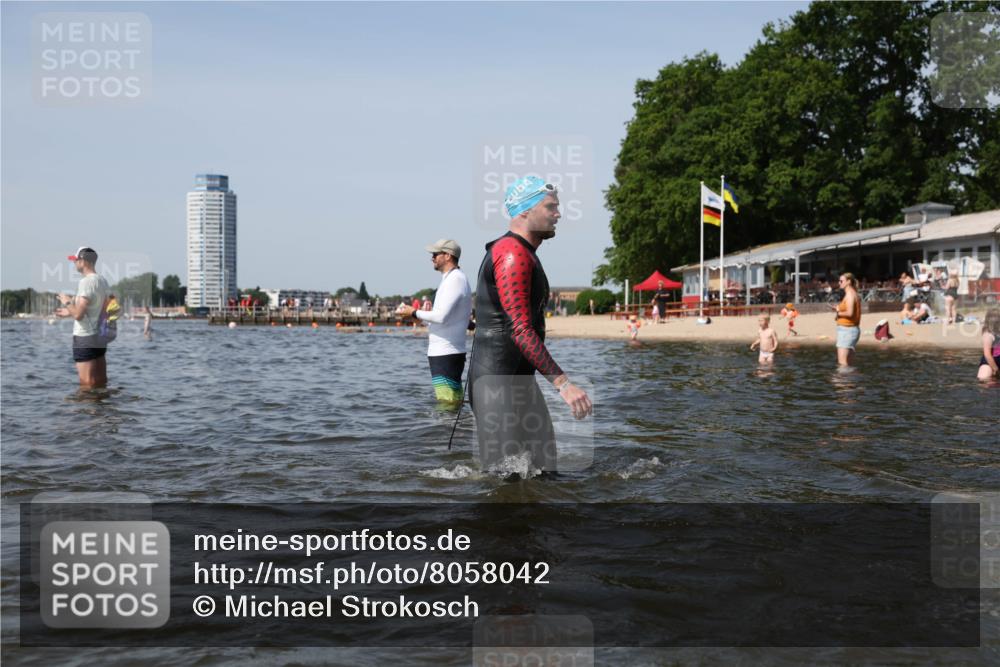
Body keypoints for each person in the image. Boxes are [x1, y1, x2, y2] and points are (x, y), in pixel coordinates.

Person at [468, 175, 592, 475]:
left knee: (544, 469)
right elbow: (521, 329)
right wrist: (563, 384)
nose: (558, 214)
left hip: (517, 379)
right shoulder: (512, 254)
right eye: (551, 207)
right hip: (497, 383)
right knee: (504, 480)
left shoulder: (524, 253)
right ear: (524, 211)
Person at [397, 239, 473, 404]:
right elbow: (442, 321)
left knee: (447, 403)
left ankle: (448, 429)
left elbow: (441, 317)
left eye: (435, 254)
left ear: (447, 256)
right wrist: (417, 317)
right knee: (450, 401)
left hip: (446, 352)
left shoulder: (455, 279)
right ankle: (453, 429)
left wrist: (415, 311)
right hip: (444, 352)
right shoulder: (450, 279)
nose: (432, 258)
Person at [54, 246, 110, 388]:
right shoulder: (102, 280)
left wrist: (66, 301)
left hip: (85, 338)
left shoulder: (86, 282)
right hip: (99, 337)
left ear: (83, 261)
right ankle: (101, 409)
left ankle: (87, 409)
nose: (74, 263)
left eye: (76, 260)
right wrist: (69, 312)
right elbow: (102, 309)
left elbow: (79, 315)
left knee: (86, 385)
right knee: (100, 382)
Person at [831, 272, 860, 366]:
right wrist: (838, 309)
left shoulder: (850, 295)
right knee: (849, 363)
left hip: (847, 330)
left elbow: (850, 313)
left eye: (841, 281)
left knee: (842, 363)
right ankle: (851, 380)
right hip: (849, 330)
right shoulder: (851, 294)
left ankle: (842, 381)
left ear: (848, 282)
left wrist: (838, 311)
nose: (839, 283)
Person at [977, 309, 1000, 381]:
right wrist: (995, 368)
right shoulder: (988, 335)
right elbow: (987, 355)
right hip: (989, 363)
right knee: (984, 380)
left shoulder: (998, 332)